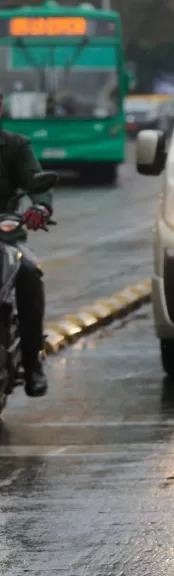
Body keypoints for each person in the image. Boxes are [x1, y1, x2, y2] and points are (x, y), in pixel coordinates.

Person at [0, 90, 52, 397]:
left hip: (4, 235)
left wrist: (40, 208)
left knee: (30, 272)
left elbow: (37, 181)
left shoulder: (16, 146)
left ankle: (33, 362)